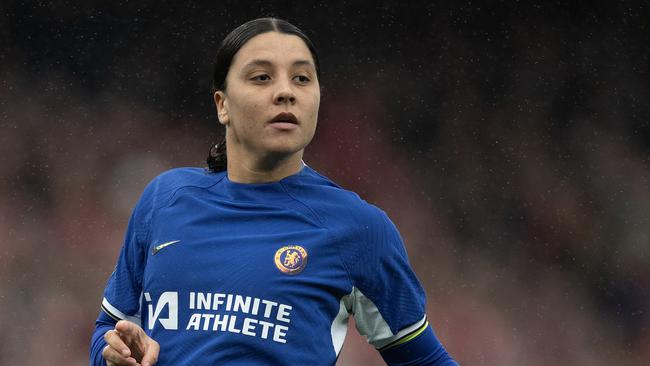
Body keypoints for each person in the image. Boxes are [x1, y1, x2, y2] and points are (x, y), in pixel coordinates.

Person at [89, 17, 458, 366]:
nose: (285, 92)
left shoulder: (359, 229)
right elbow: (108, 330)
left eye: (301, 78)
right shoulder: (164, 199)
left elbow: (425, 359)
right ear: (223, 105)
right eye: (262, 77)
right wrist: (115, 355)